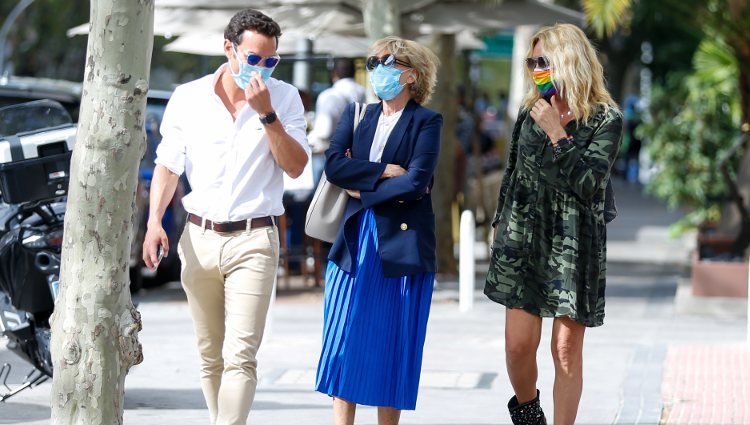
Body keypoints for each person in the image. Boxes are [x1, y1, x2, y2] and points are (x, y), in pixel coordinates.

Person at [142, 9, 309, 425]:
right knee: (210, 354)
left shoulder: (285, 98)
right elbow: (167, 165)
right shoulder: (189, 96)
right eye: (253, 59)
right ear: (228, 48)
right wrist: (153, 223)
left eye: (270, 61)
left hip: (254, 240)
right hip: (198, 237)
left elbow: (295, 167)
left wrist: (267, 114)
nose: (262, 69)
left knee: (240, 355)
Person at [484, 24, 623, 425]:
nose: (536, 70)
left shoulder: (604, 118)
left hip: (573, 240)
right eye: (532, 62)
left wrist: (558, 133)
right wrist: (499, 225)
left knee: (564, 349)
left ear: (568, 60)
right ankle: (528, 412)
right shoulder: (530, 111)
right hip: (522, 236)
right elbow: (513, 172)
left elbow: (588, 183)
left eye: (543, 61)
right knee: (517, 346)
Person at [314, 36, 442, 425]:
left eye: (386, 62)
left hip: (401, 245)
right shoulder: (356, 114)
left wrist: (362, 188)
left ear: (411, 74)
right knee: (343, 337)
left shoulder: (427, 121)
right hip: (353, 238)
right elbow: (334, 165)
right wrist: (384, 171)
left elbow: (418, 182)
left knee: (394, 341)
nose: (377, 71)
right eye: (372, 63)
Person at [307, 57, 366, 184]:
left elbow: (324, 132)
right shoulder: (362, 92)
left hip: (329, 154)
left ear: (333, 73)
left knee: (321, 197)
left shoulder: (329, 95)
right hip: (354, 153)